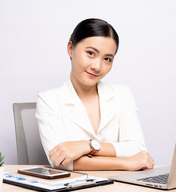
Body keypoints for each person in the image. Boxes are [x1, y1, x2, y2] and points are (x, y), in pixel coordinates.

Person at [36, 18, 154, 171]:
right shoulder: (48, 101)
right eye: (91, 53)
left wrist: (86, 146)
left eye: (107, 59)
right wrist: (125, 163)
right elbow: (60, 161)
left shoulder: (122, 95)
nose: (97, 67)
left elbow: (137, 149)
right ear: (71, 48)